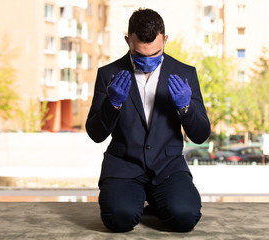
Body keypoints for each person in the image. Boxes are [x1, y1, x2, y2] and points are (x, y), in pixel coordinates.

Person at [86, 8, 210, 233]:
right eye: (139, 55)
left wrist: (185, 107)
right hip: (123, 164)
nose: (147, 61)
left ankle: (158, 202)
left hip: (167, 167)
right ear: (128, 41)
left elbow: (201, 135)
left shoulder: (185, 73)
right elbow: (95, 134)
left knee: (185, 217)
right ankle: (132, 201)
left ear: (165, 40)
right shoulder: (108, 74)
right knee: (118, 219)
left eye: (155, 54)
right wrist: (112, 104)